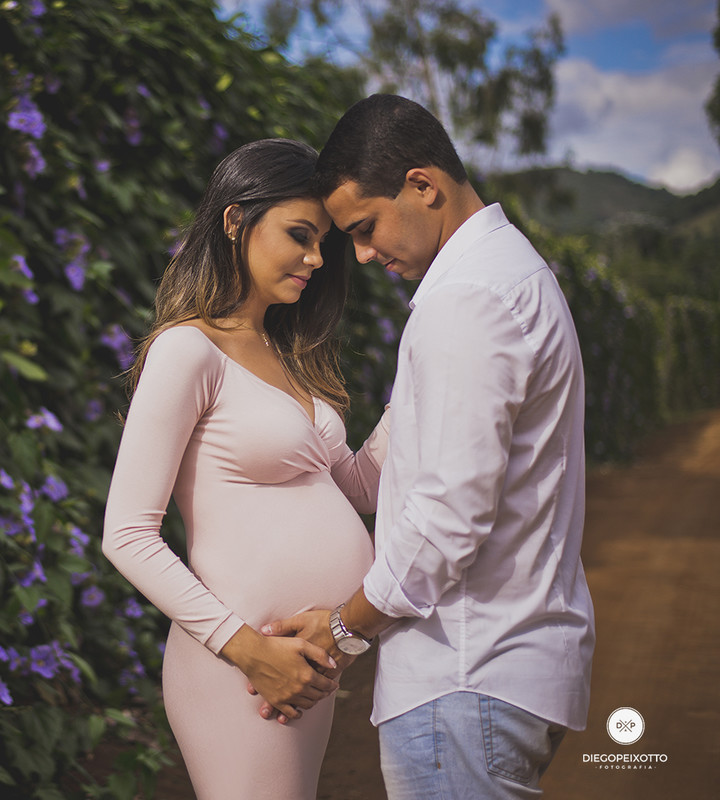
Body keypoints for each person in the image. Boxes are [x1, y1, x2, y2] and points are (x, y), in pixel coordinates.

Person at [258, 95, 595, 799]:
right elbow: (388, 475)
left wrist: (341, 632)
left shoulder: (467, 300)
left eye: (365, 227)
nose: (361, 253)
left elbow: (445, 520)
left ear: (423, 185)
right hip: (496, 671)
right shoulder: (507, 276)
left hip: (467, 674)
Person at [101, 138, 391, 800]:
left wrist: (423, 380)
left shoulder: (286, 355)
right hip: (240, 664)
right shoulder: (188, 350)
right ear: (236, 221)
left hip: (304, 664)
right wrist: (251, 653)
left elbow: (355, 487)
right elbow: (127, 533)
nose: (317, 259)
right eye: (300, 235)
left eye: (323, 243)